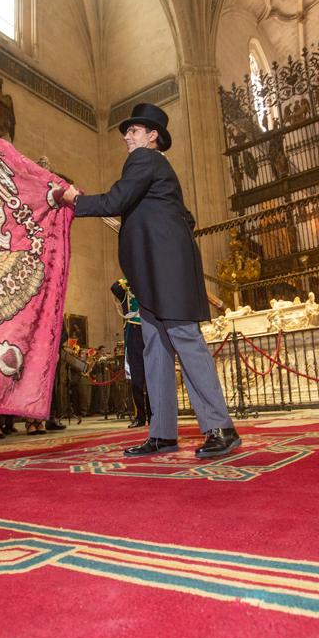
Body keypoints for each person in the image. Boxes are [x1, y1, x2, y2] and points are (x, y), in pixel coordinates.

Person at [61, 103, 240, 458]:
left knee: (185, 339)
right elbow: (184, 218)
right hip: (154, 270)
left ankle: (221, 427)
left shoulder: (145, 160)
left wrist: (74, 200)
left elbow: (117, 199)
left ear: (152, 135)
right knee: (155, 348)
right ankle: (162, 434)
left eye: (134, 130)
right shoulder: (161, 172)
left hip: (165, 270)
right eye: (127, 131)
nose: (127, 136)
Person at [111, 278, 149, 428]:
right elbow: (114, 287)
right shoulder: (126, 289)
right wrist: (128, 278)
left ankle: (154, 415)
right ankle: (140, 416)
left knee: (152, 379)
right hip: (133, 334)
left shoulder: (148, 285)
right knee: (137, 380)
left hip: (149, 332)